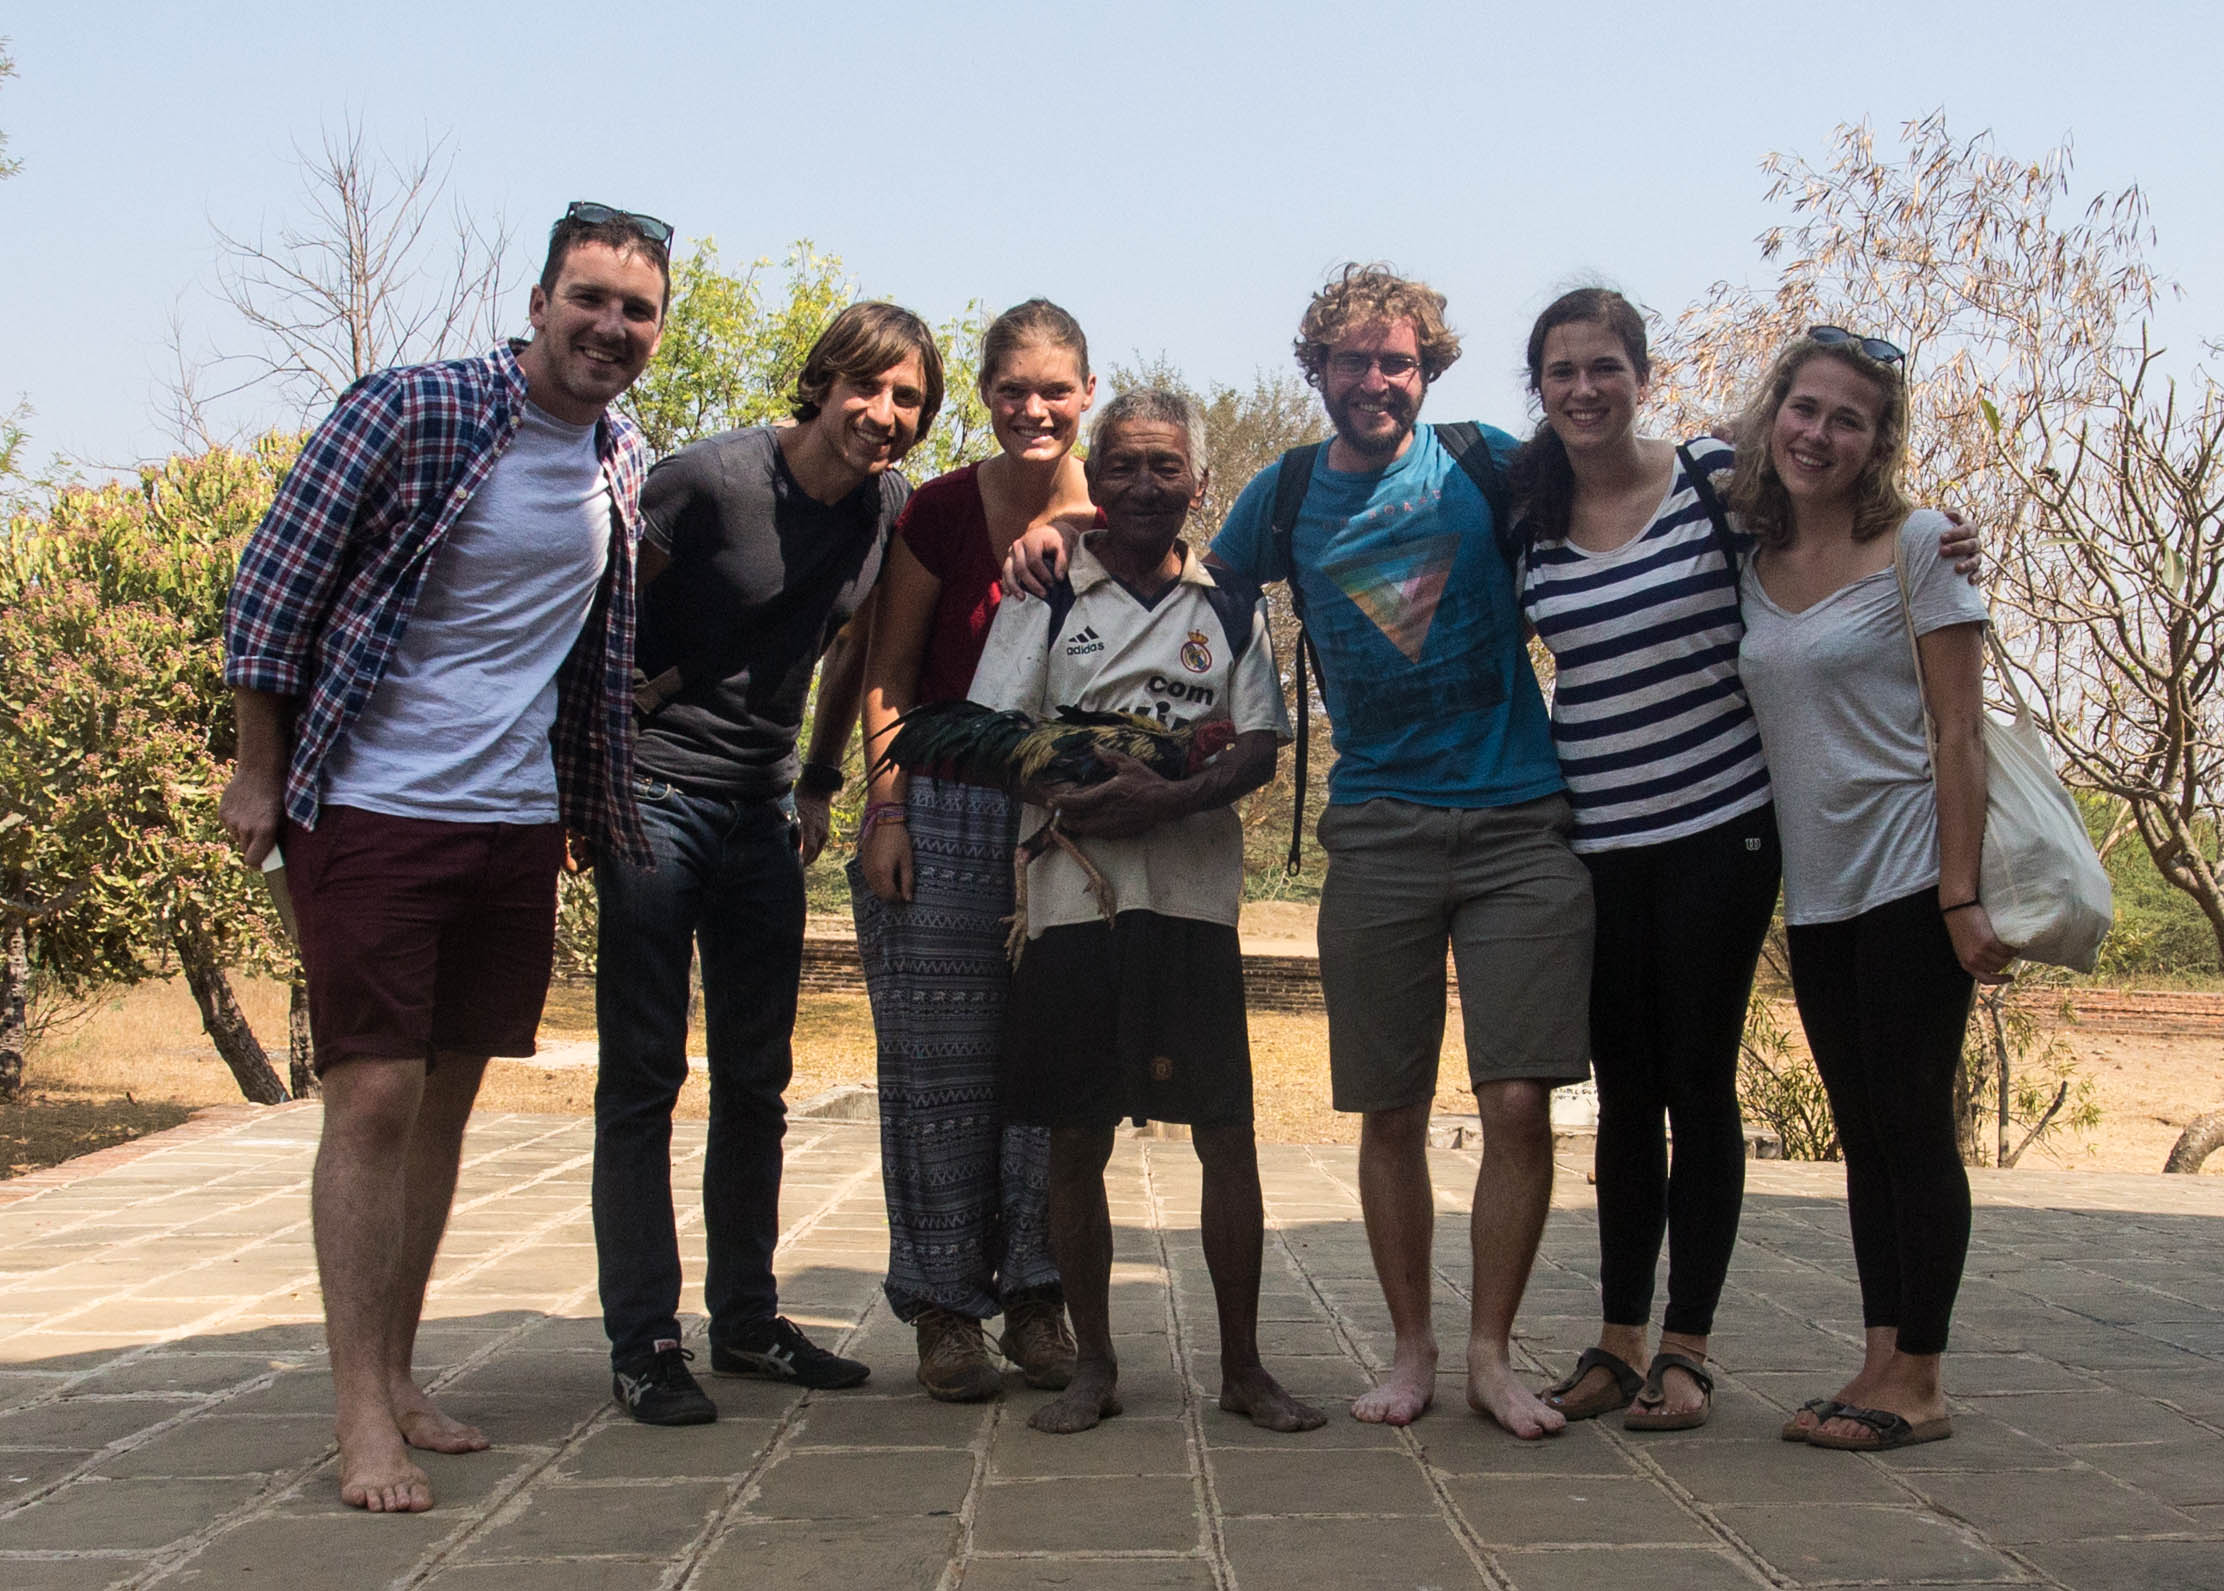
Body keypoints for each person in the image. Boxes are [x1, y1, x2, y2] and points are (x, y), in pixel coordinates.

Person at [1013, 267, 1596, 1435]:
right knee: (1388, 1107)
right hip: (1375, 827)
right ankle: (1412, 1352)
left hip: (1518, 818)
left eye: (1397, 361)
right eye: (1351, 360)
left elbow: (1624, 493)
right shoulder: (1281, 496)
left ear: (1429, 369)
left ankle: (1490, 1355)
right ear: (1316, 369)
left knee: (1517, 1101)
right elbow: (1179, 570)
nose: (1374, 380)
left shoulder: (1488, 466)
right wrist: (1064, 523)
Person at [219, 202, 672, 1510]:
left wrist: (584, 795)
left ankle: (401, 1371)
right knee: (372, 1097)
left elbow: (581, 646)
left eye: (636, 309)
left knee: (445, 1103)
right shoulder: (411, 409)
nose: (610, 326)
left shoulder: (621, 455)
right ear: (538, 303)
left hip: (512, 818)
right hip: (371, 801)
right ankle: (360, 1414)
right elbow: (274, 588)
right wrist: (257, 765)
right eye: (588, 298)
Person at [1512, 291, 1979, 1431]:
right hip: (1614, 841)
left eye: (1607, 365)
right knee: (1632, 1096)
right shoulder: (1530, 510)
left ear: (1643, 374)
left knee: (1715, 1086)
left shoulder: (1715, 487)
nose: (1585, 388)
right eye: (1562, 370)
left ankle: (1696, 1351)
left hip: (1734, 833)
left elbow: (1947, 706)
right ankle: (1623, 1341)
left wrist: (1963, 892)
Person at [591, 301, 943, 1425]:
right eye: (867, 386)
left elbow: (853, 651)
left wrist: (820, 780)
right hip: (653, 795)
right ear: (824, 380)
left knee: (757, 1079)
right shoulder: (707, 482)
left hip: (758, 812)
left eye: (907, 399)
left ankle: (744, 1319)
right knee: (645, 1076)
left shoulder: (884, 508)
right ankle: (646, 1340)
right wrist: (583, 780)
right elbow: (599, 621)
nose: (883, 413)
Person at [973, 389, 1323, 1437]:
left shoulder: (1230, 604)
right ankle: (1094, 1365)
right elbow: (990, 734)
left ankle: (1243, 1366)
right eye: (1121, 464)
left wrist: (1167, 798)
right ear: (1096, 478)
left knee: (1226, 1132)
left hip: (1190, 902)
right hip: (1069, 898)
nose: (1141, 484)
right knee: (1075, 1136)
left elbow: (1257, 746)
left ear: (1197, 484)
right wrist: (1068, 789)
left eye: (1164, 466)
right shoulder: (1045, 594)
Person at [1731, 328, 2010, 1453]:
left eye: (1848, 419)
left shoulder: (1924, 544)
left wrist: (1959, 895)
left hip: (1909, 876)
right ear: (1774, 415)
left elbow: (1959, 730)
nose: (1818, 434)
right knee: (1861, 1131)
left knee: (1911, 1122)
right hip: (1819, 891)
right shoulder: (1749, 555)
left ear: (1879, 441)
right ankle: (1880, 1355)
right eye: (1803, 409)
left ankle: (1923, 1380)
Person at [850, 300, 1093, 1401]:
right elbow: (889, 674)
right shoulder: (941, 510)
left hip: (1063, 822)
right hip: (941, 812)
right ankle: (944, 1307)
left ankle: (1040, 1295)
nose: (1033, 409)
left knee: (1051, 1067)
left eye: (1054, 390)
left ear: (1087, 392)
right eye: (1012, 390)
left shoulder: (1116, 517)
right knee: (935, 1072)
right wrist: (885, 812)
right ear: (987, 394)